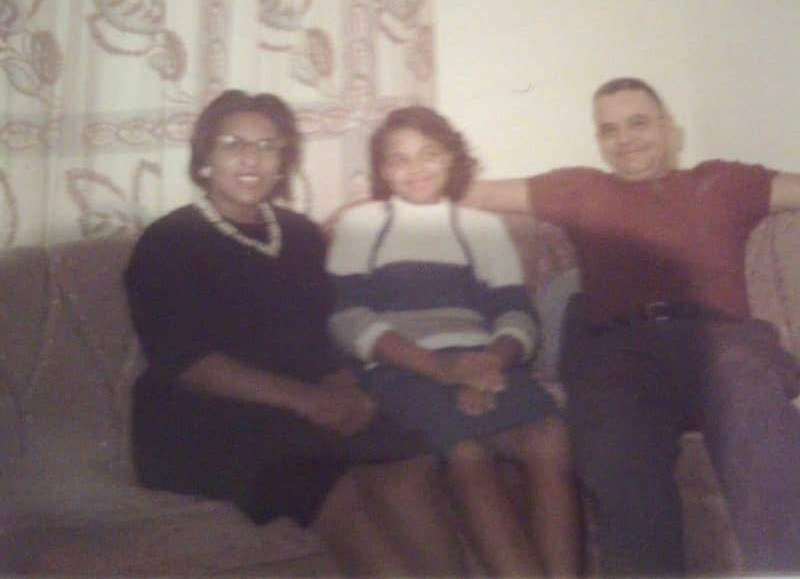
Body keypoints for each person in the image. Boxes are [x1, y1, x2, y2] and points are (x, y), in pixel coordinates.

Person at [123, 90, 469, 577]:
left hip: (303, 402)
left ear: (283, 160)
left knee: (407, 464)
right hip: (202, 419)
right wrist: (307, 401)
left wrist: (349, 385)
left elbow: (333, 329)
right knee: (338, 486)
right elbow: (184, 361)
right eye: (232, 144)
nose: (251, 158)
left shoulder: (302, 235)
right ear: (204, 158)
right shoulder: (168, 242)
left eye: (268, 146)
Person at [464, 76, 800, 576]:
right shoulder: (582, 189)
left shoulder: (723, 181)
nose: (625, 139)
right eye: (609, 130)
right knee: (616, 445)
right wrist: (373, 200)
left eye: (638, 123)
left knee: (751, 395)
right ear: (599, 141)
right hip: (621, 351)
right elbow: (478, 194)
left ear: (670, 128)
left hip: (719, 340)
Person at [326, 106, 580, 577]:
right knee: (467, 450)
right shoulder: (362, 225)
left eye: (428, 154)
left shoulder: (481, 228)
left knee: (550, 437)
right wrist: (439, 369)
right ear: (382, 170)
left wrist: (489, 364)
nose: (415, 168)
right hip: (402, 369)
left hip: (484, 362)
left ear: (451, 159)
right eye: (399, 159)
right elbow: (347, 318)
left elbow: (515, 313)